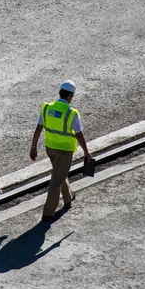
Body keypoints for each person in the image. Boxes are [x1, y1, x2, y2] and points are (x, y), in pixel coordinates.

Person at [29, 80, 93, 221]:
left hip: (50, 148)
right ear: (71, 96)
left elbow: (38, 128)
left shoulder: (47, 108)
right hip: (64, 150)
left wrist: (33, 147)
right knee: (56, 180)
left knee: (60, 174)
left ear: (60, 92)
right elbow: (79, 134)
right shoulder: (71, 113)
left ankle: (68, 197)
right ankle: (48, 213)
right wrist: (86, 152)